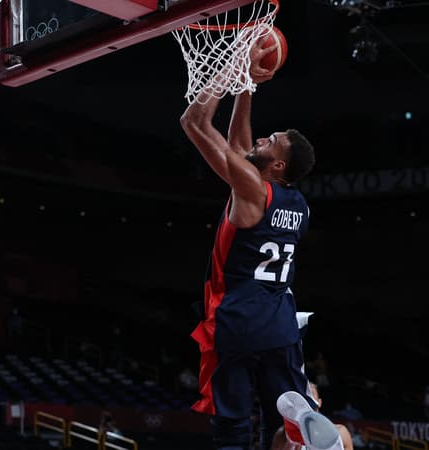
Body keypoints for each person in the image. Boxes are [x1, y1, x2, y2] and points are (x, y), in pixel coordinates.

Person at [181, 35, 318, 450]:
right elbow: (242, 146)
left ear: (277, 164)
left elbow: (194, 123)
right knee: (284, 410)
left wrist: (231, 68)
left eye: (270, 141)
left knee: (234, 425)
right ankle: (304, 424)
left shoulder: (253, 188)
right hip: (280, 324)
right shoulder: (296, 202)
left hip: (239, 320)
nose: (262, 139)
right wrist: (246, 84)